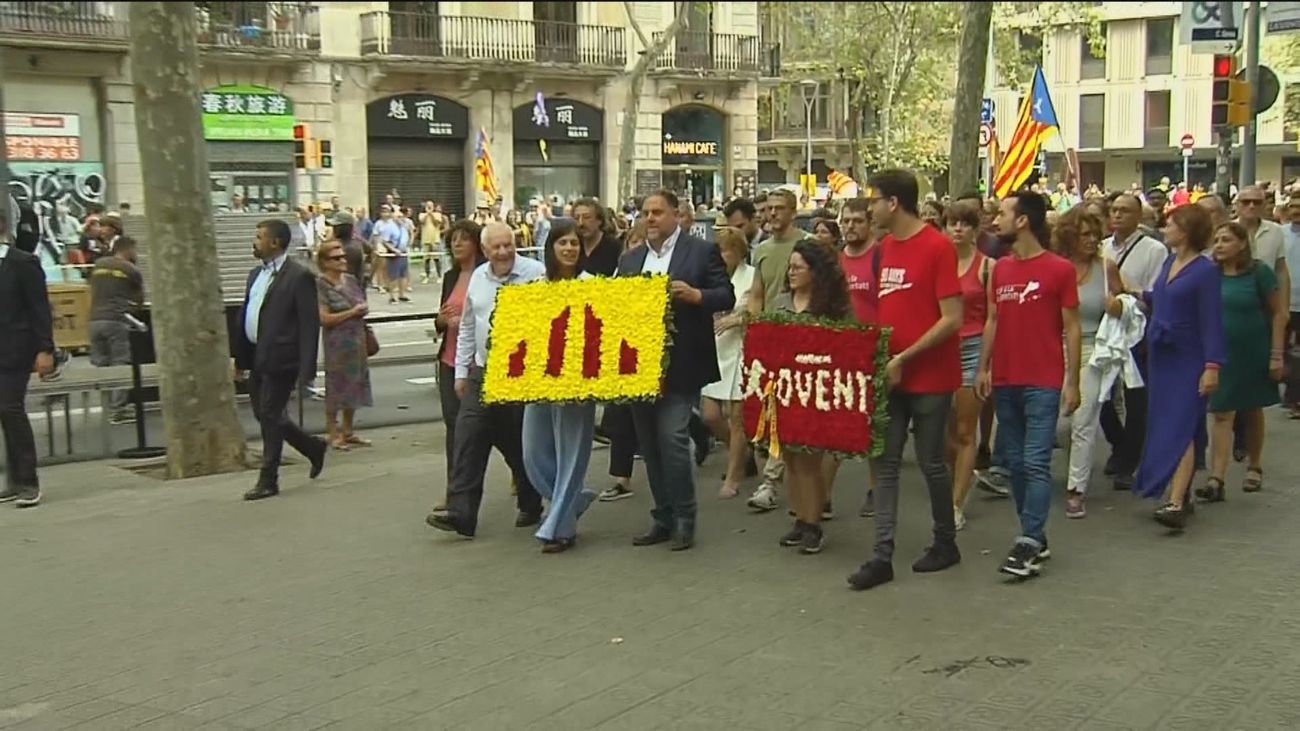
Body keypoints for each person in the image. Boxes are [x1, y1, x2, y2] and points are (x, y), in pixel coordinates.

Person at [847, 169, 963, 592]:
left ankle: (945, 541)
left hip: (931, 376)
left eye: (873, 200)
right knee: (885, 462)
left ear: (893, 202)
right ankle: (882, 556)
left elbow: (952, 318)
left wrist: (904, 357)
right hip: (891, 374)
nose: (868, 207)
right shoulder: (884, 249)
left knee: (932, 461)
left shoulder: (937, 247)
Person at [619, 189, 734, 551]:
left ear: (675, 215)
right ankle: (663, 516)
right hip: (639, 367)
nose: (650, 218)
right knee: (650, 446)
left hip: (682, 364)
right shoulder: (630, 260)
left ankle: (686, 516)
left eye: (657, 212)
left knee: (671, 440)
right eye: (645, 212)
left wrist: (698, 296)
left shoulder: (699, 251)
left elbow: (726, 294)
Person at [975, 192, 1081, 579]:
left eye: (1003, 213)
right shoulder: (999, 269)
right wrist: (983, 367)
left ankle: (1029, 540)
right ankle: (1034, 533)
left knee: (1036, 462)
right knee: (1016, 463)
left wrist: (1073, 381)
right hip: (1006, 379)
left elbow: (1071, 326)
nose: (995, 219)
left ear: (1023, 221)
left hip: (1043, 379)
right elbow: (992, 320)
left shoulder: (1059, 269)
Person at [427, 222, 546, 538]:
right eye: (497, 247)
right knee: (468, 434)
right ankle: (462, 513)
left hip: (521, 375)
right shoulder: (478, 279)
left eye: (508, 245)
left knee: (516, 441)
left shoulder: (535, 273)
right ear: (486, 250)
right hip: (483, 372)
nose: (504, 252)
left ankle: (531, 501)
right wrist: (462, 374)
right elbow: (467, 327)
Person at [1128, 205, 1224, 529]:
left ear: (1186, 230)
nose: (1165, 228)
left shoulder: (1205, 270)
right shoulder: (1170, 261)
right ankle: (1180, 492)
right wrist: (1131, 290)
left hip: (1189, 356)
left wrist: (1212, 365)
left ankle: (1176, 500)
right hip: (1162, 355)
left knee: (1182, 424)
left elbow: (1212, 321)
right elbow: (1161, 298)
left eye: (1171, 224)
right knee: (1169, 422)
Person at [234, 219, 327, 501]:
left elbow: (310, 325)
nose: (255, 241)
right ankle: (312, 447)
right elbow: (248, 314)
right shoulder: (255, 275)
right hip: (256, 355)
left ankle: (268, 478)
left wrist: (307, 367)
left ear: (275, 243)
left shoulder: (299, 276)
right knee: (265, 414)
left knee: (271, 415)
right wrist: (239, 358)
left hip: (283, 358)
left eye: (260, 236)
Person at [523, 220, 600, 553]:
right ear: (550, 247)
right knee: (533, 452)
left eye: (574, 244)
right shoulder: (536, 285)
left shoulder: (592, 285)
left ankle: (560, 527)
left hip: (577, 385)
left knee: (571, 454)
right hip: (539, 381)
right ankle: (573, 500)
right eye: (563, 243)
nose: (569, 249)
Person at [774, 240, 853, 554]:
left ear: (814, 272)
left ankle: (814, 523)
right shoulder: (781, 302)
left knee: (809, 461)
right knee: (791, 459)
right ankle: (800, 518)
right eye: (790, 267)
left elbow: (849, 344)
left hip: (818, 392)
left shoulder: (833, 307)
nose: (791, 273)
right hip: (786, 390)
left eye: (798, 268)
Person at [1202, 222, 1285, 501]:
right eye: (1216, 240)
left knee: (1251, 409)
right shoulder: (1210, 274)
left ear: (1241, 244)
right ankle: (1217, 478)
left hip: (1253, 351)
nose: (1219, 245)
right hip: (1221, 354)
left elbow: (1277, 313)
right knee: (1221, 411)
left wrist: (1276, 354)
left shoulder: (1258, 272)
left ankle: (1254, 465)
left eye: (1226, 240)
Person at [1055, 206, 1125, 520]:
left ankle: (1076, 489)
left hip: (1093, 350)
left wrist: (1119, 305)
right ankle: (1076, 468)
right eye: (1084, 234)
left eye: (1095, 234)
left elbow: (1128, 305)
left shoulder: (1106, 267)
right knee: (1061, 426)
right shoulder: (1056, 268)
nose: (1092, 239)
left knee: (1083, 420)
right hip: (1055, 349)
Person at [745, 188, 811, 513]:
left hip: (800, 339)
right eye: (768, 208)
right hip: (770, 339)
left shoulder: (808, 244)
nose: (772, 214)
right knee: (769, 413)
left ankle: (774, 483)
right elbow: (756, 293)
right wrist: (757, 329)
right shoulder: (761, 249)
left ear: (793, 212)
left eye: (779, 209)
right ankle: (774, 482)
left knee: (791, 416)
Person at [1098, 193, 1167, 488]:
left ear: (1139, 216)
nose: (1118, 215)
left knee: (1136, 397)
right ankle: (1119, 442)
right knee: (1100, 397)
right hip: (1106, 330)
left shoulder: (1153, 249)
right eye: (1113, 210)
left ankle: (1129, 461)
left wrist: (1127, 299)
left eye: (1125, 211)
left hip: (1137, 330)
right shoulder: (1101, 247)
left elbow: (1155, 294)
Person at [0, 208, 56, 508]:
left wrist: (45, 348)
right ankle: (13, 480)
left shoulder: (23, 263)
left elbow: (39, 309)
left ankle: (28, 482)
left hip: (15, 349)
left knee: (10, 409)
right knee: (4, 413)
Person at [700, 226, 756, 500]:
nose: (723, 256)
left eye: (727, 251)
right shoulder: (712, 278)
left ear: (738, 252)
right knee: (710, 415)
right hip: (714, 348)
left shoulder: (752, 276)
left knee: (737, 418)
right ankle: (743, 453)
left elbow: (758, 310)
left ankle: (734, 476)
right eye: (719, 250)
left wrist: (738, 319)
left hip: (742, 349)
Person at [943, 201, 989, 531]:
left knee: (964, 430)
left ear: (975, 229)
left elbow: (994, 319)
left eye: (964, 223)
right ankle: (963, 472)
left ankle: (956, 503)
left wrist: (987, 365)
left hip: (973, 348)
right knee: (940, 434)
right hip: (941, 349)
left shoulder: (988, 266)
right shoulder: (938, 263)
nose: (957, 229)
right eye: (952, 223)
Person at [433, 220, 486, 503]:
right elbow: (441, 317)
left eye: (463, 239)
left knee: (490, 430)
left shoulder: (485, 275)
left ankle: (521, 477)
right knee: (453, 427)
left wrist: (465, 321)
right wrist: (442, 321)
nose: (456, 244)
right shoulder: (451, 277)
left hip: (477, 362)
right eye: (453, 239)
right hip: (449, 360)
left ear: (476, 244)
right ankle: (454, 491)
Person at [316, 240, 373, 451]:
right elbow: (324, 318)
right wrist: (352, 312)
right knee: (337, 387)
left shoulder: (349, 280)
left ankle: (348, 430)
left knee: (356, 383)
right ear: (324, 262)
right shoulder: (321, 284)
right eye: (336, 258)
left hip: (357, 339)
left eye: (343, 256)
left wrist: (363, 309)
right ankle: (333, 432)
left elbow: (360, 302)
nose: (342, 260)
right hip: (337, 343)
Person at [87, 236, 145, 425]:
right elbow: (139, 300)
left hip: (94, 320)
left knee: (101, 365)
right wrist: (130, 308)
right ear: (128, 249)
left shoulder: (98, 264)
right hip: (115, 321)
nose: (135, 254)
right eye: (134, 250)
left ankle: (106, 408)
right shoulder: (131, 269)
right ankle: (117, 410)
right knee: (120, 365)